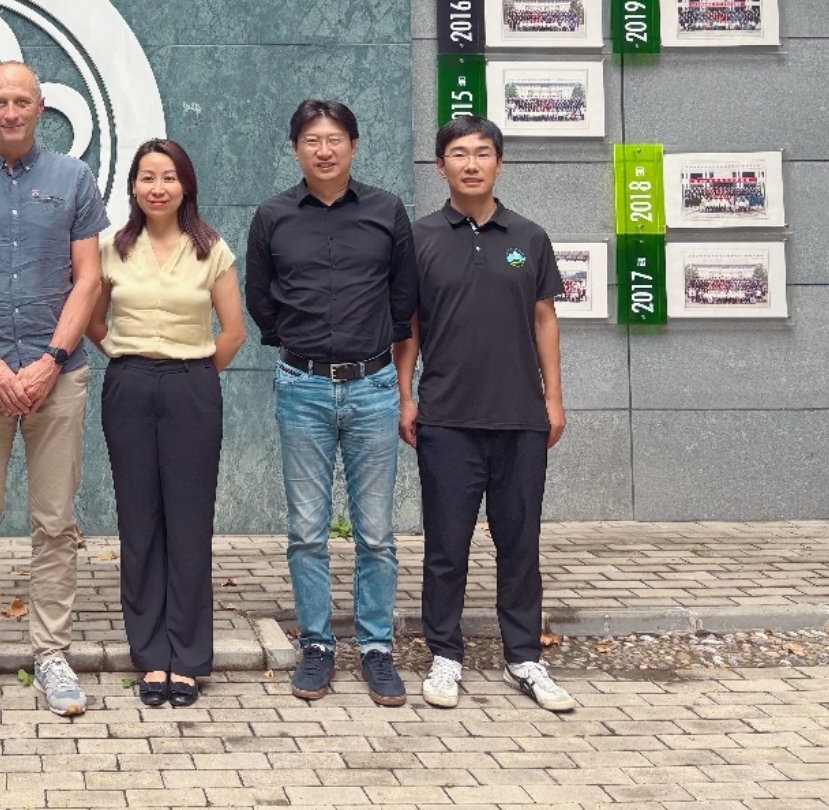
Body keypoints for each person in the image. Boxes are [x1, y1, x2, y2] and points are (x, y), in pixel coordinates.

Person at [0, 61, 109, 718]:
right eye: (0, 101)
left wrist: (50, 360)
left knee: (55, 524)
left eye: (22, 101)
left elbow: (87, 278)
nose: (11, 112)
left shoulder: (74, 179)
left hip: (57, 377)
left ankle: (51, 653)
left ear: (41, 108)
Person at [396, 116, 575, 713]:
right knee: (446, 545)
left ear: (500, 163)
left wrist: (553, 397)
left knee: (520, 543)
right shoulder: (419, 238)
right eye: (458, 154)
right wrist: (406, 393)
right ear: (440, 165)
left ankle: (525, 657)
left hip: (520, 416)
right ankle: (445, 656)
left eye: (482, 154)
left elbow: (545, 318)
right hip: (446, 417)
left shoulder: (530, 236)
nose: (471, 164)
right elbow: (410, 328)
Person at [245, 99, 417, 707]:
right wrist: (300, 344)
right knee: (307, 531)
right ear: (296, 149)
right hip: (303, 386)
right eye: (313, 139)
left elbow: (404, 302)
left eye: (335, 138)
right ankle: (317, 645)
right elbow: (259, 300)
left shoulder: (385, 211)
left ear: (353, 145)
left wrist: (398, 386)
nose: (324, 149)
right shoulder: (272, 217)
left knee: (375, 533)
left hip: (372, 387)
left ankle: (376, 648)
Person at [87, 140, 244, 709]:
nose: (158, 187)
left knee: (189, 519)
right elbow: (93, 320)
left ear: (186, 186)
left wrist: (192, 371)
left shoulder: (212, 249)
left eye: (169, 177)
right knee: (139, 520)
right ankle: (151, 656)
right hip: (128, 386)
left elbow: (233, 331)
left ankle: (189, 656)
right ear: (133, 186)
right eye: (148, 177)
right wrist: (130, 361)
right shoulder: (111, 248)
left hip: (192, 388)